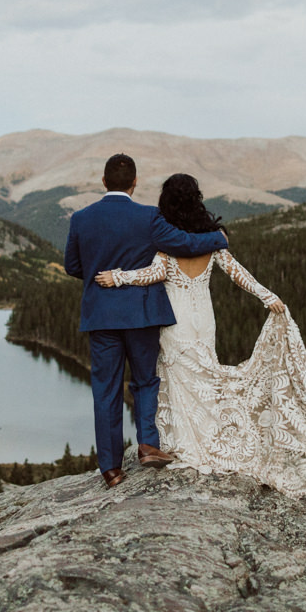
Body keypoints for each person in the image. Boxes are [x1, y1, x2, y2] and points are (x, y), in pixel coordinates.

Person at [95, 173, 306, 497]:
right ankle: (213, 437)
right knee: (207, 378)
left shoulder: (167, 245)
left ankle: (185, 444)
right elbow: (239, 274)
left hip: (176, 322)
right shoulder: (212, 240)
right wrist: (268, 296)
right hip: (204, 320)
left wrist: (118, 277)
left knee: (180, 380)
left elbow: (152, 274)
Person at [64, 154, 228, 489]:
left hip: (101, 317)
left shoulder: (81, 219)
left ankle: (110, 469)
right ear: (134, 183)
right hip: (142, 315)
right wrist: (219, 239)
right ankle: (148, 446)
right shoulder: (148, 217)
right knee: (145, 382)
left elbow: (72, 266)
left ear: (104, 182)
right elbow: (185, 243)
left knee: (106, 390)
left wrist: (98, 272)